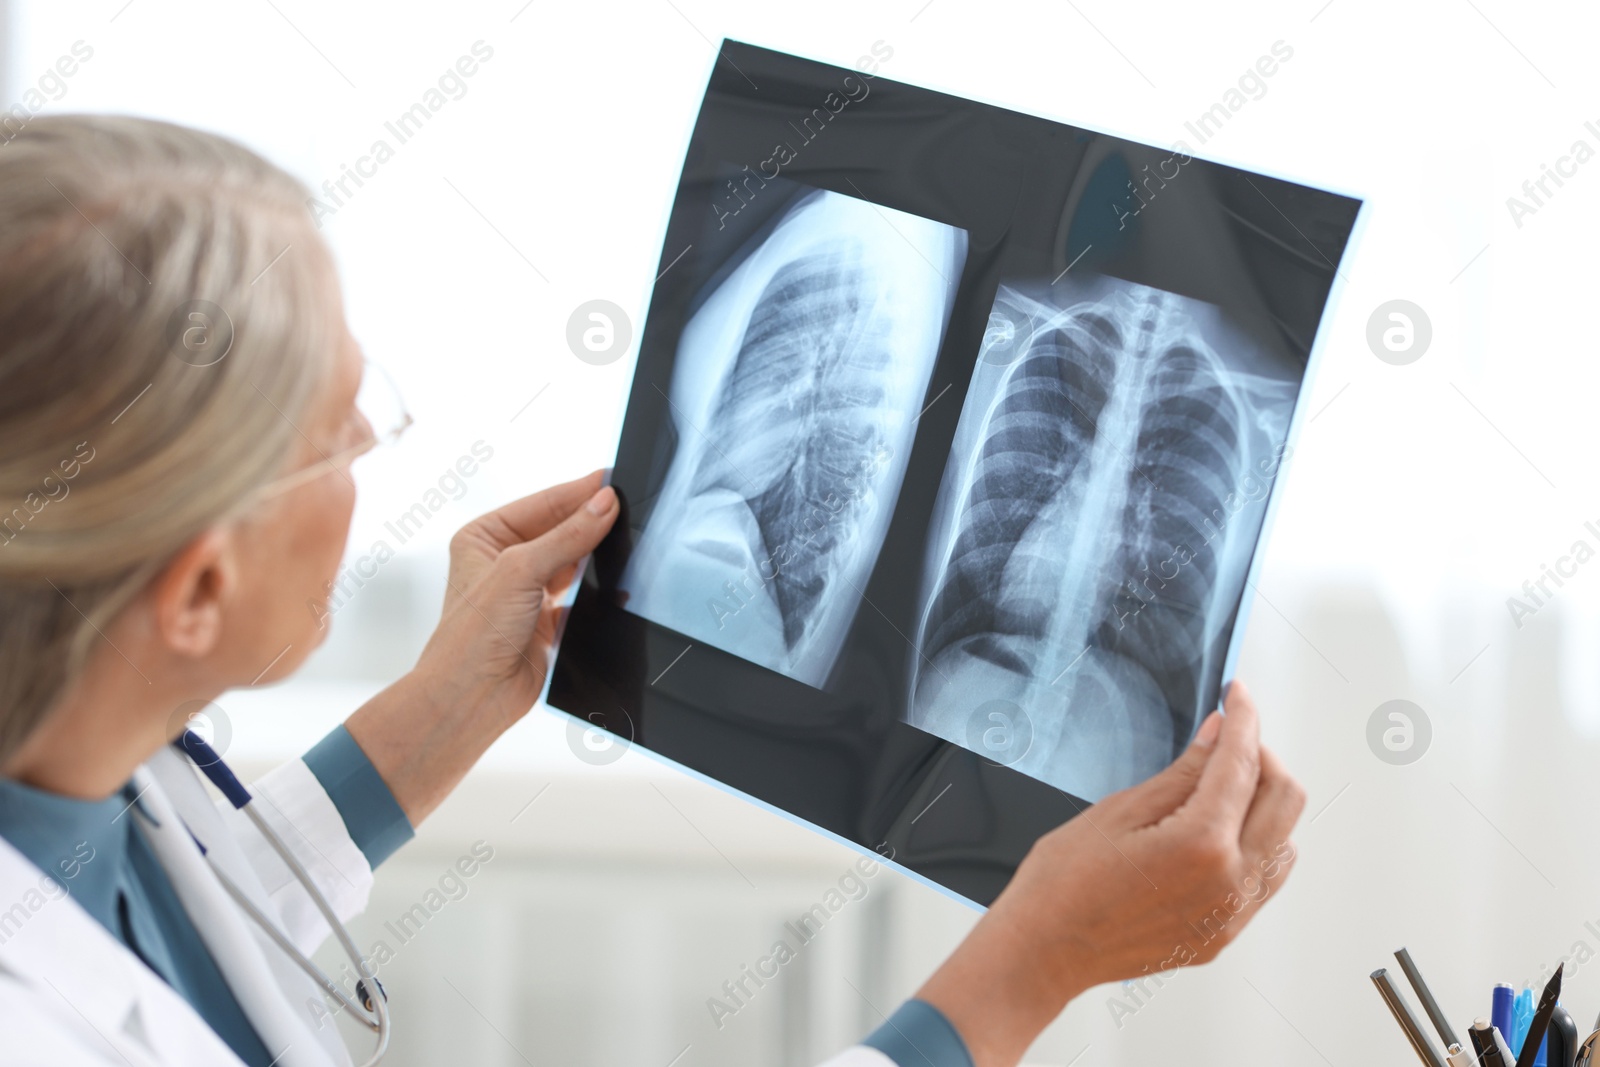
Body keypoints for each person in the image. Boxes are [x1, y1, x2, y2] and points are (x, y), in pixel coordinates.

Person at [0, 115, 1306, 1067]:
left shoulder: (73, 778)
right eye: (341, 435)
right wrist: (1032, 969)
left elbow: (182, 907)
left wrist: (442, 711)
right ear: (196, 590)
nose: (375, 454)